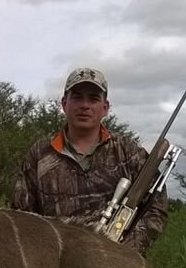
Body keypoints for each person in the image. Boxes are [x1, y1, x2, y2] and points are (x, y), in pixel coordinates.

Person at [11, 67, 168, 256]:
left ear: (105, 108)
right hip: (55, 260)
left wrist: (124, 251)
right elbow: (22, 216)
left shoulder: (128, 151)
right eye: (77, 97)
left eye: (93, 99)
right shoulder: (39, 153)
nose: (85, 105)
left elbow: (156, 210)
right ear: (64, 104)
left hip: (118, 261)